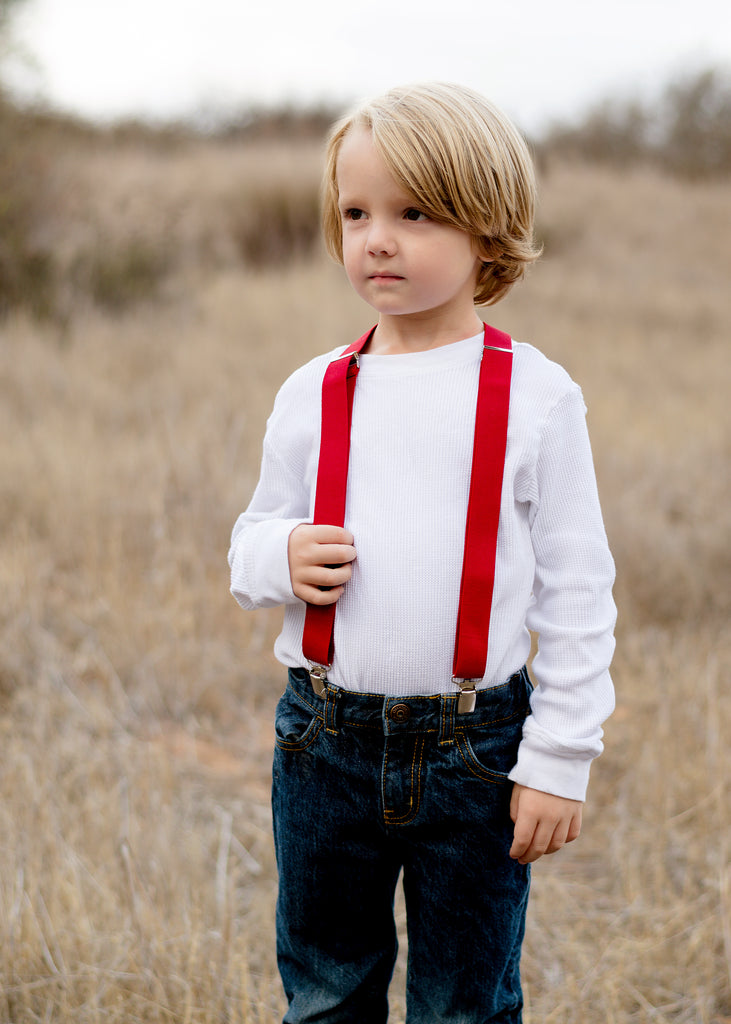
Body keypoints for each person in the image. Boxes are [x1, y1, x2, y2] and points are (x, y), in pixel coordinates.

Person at [228, 81, 616, 1024]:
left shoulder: (534, 395)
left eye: (413, 213)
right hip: (322, 742)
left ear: (487, 230)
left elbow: (576, 589)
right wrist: (280, 555)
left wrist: (557, 757)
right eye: (355, 212)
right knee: (325, 986)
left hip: (477, 751)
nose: (377, 239)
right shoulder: (314, 390)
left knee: (465, 1002)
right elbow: (248, 542)